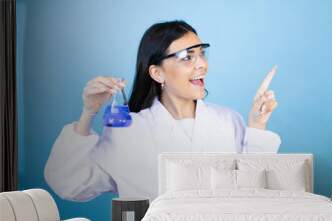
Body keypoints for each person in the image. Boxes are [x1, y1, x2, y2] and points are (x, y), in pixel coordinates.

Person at [44, 20, 281, 202]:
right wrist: (89, 113)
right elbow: (71, 185)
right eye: (187, 57)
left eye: (201, 53)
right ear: (157, 73)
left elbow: (255, 191)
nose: (202, 64)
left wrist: (257, 125)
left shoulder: (228, 121)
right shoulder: (129, 131)